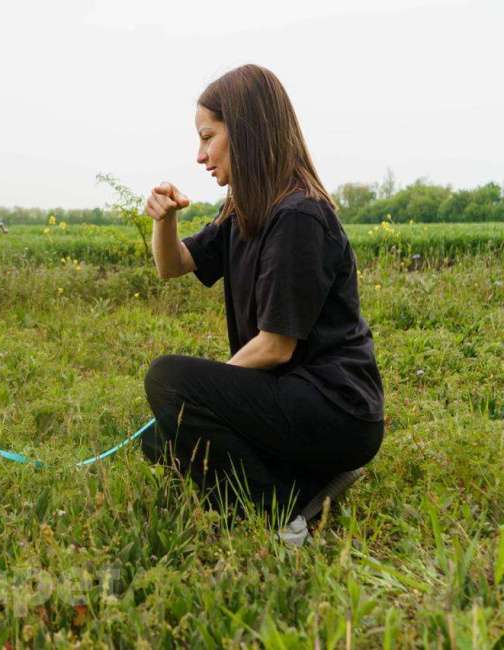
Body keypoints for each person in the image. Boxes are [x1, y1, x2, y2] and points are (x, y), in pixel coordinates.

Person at [142, 64, 384, 519]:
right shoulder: (244, 210)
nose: (200, 155)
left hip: (337, 409)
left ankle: (279, 515)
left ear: (247, 131)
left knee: (168, 382)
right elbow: (171, 266)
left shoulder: (298, 216)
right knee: (159, 438)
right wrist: (165, 219)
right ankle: (309, 485)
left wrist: (206, 397)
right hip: (291, 398)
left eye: (208, 136)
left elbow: (275, 346)